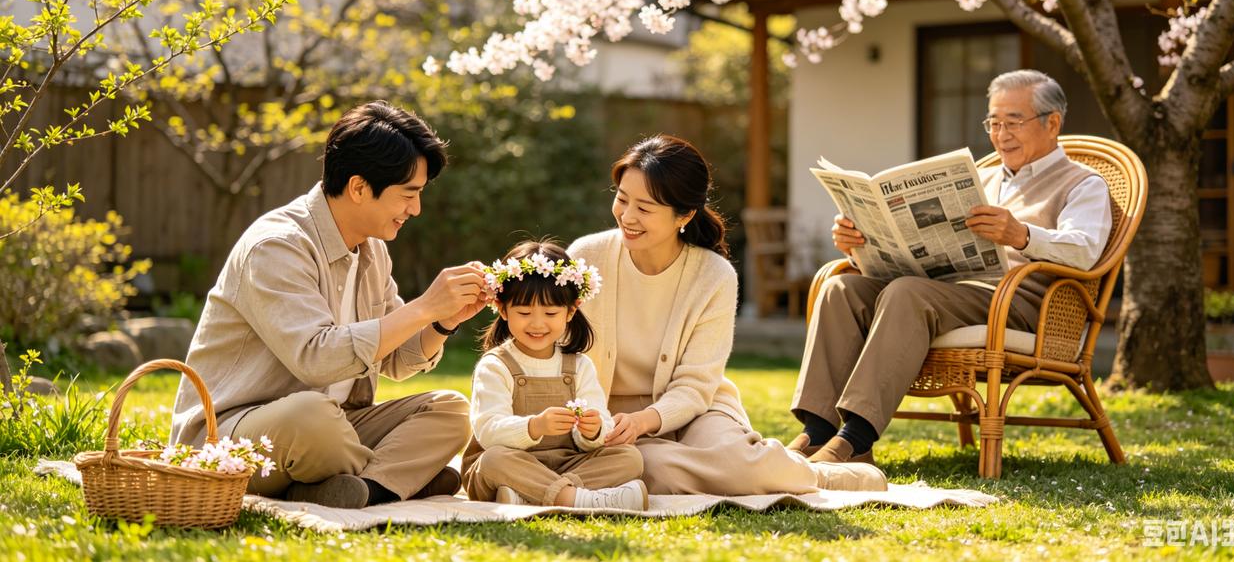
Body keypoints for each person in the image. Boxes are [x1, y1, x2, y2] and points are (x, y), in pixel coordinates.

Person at [170, 101, 490, 508]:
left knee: (450, 411)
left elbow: (397, 360)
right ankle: (395, 479)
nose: (416, 209)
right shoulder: (277, 246)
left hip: (338, 426)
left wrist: (443, 321)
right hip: (234, 432)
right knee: (312, 416)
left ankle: (365, 487)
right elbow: (316, 359)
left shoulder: (373, 251)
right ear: (359, 187)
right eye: (408, 194)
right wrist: (424, 307)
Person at [789, 70, 1113, 464]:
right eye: (993, 123)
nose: (1001, 133)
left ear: (1053, 123)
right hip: (951, 291)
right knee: (842, 289)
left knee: (907, 293)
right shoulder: (981, 176)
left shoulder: (1083, 184)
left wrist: (1022, 235)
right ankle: (817, 431)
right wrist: (858, 244)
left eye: (1013, 121)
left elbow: (1086, 251)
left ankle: (855, 439)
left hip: (1022, 304)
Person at [568, 135, 887, 495]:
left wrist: (646, 421)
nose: (627, 216)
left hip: (695, 411)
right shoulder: (587, 256)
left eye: (644, 208)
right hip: (604, 418)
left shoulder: (713, 275)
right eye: (622, 199)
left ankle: (814, 476)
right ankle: (748, 470)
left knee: (731, 468)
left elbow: (695, 387)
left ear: (684, 215)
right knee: (648, 465)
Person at [461, 240, 648, 510]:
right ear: (503, 310)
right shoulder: (496, 365)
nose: (537, 323)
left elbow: (601, 423)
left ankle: (531, 494)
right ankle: (577, 498)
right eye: (524, 312)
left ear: (571, 311)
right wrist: (535, 426)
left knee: (629, 456)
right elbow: (488, 431)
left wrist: (593, 430)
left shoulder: (579, 365)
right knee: (493, 461)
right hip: (513, 463)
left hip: (567, 464)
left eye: (550, 313)